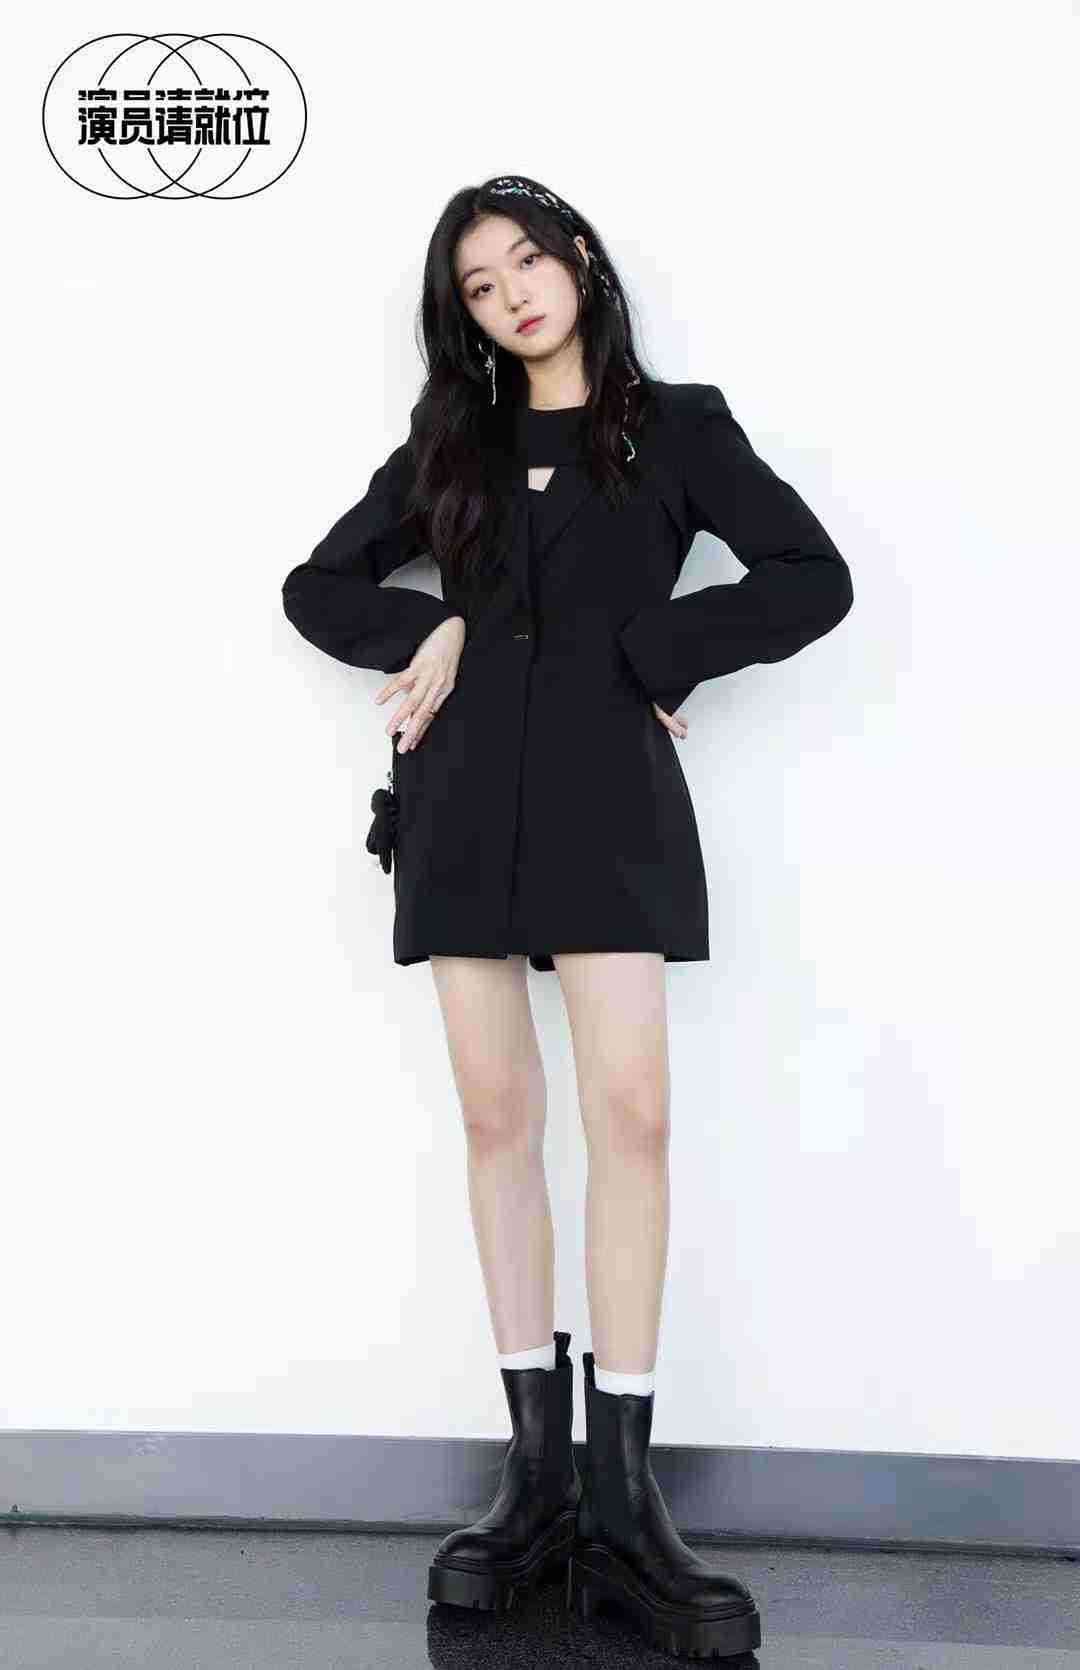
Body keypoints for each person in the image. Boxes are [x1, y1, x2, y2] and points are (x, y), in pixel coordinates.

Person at [281, 173, 853, 1660]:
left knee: (634, 1117)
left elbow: (813, 577)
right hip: (464, 803)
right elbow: (316, 584)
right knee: (499, 1120)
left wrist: (664, 648)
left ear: (581, 260)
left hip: (609, 803)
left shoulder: (679, 430)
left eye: (527, 261)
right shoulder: (449, 445)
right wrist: (430, 624)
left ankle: (623, 1493)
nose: (512, 295)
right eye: (479, 286)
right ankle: (532, 1478)